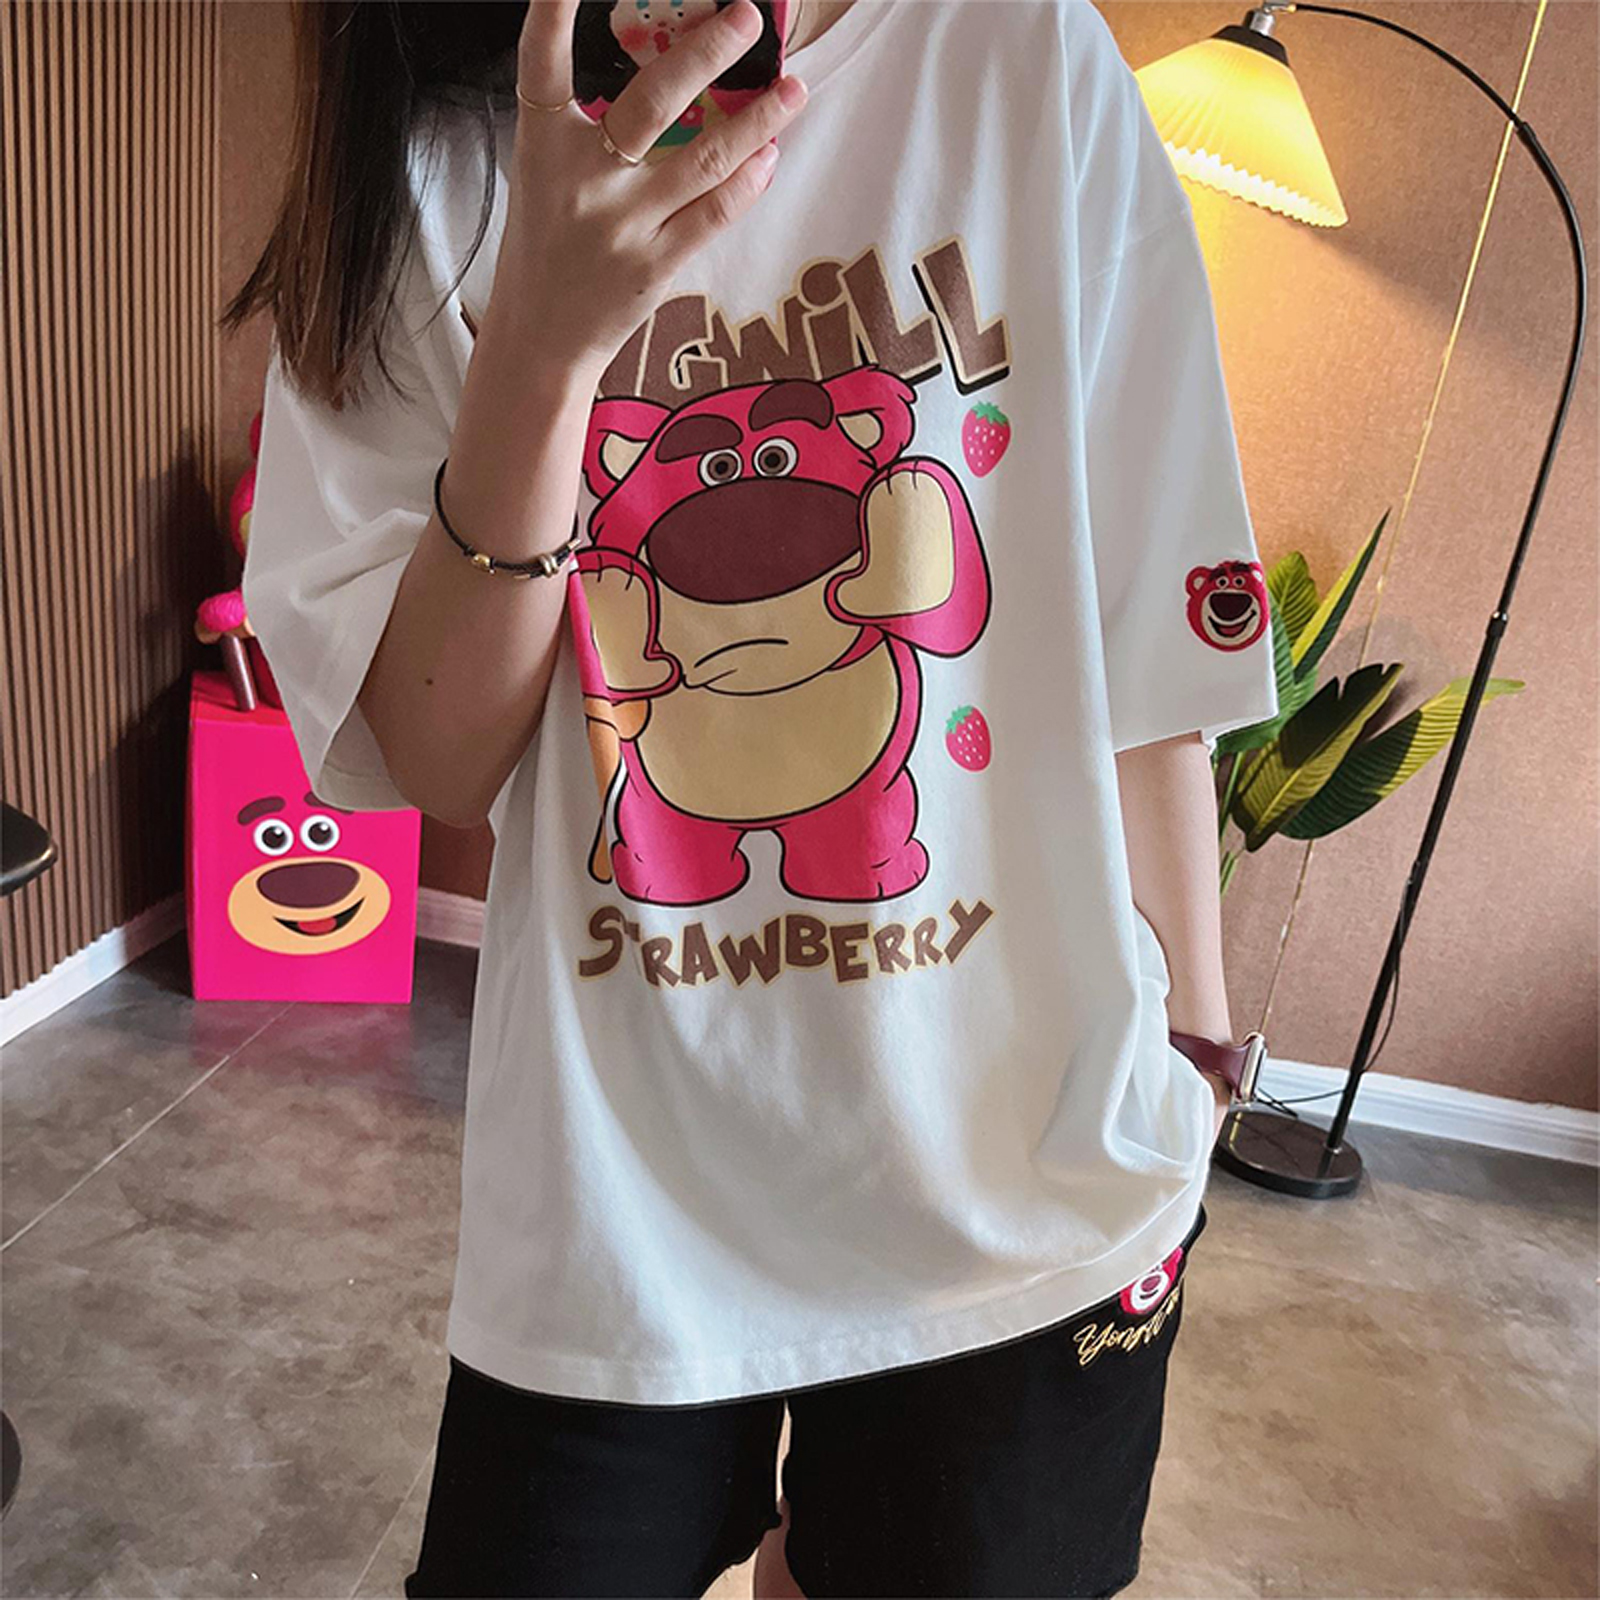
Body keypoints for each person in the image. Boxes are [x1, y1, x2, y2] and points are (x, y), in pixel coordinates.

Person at [231, 0, 1279, 1593]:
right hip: (617, 1199)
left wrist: (1194, 1055)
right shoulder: (430, 127)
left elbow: (1146, 628)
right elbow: (439, 763)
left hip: (1025, 1173)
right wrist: (542, 353)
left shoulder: (1020, 51)